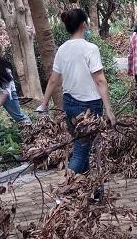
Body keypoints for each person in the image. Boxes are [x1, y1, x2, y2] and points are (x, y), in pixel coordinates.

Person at [38, 9, 116, 174]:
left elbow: (53, 80)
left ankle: (87, 186)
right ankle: (68, 187)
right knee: (81, 151)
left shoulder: (62, 49)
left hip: (69, 104)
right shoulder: (90, 48)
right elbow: (100, 80)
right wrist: (109, 110)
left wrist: (44, 104)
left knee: (82, 147)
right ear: (83, 25)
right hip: (89, 106)